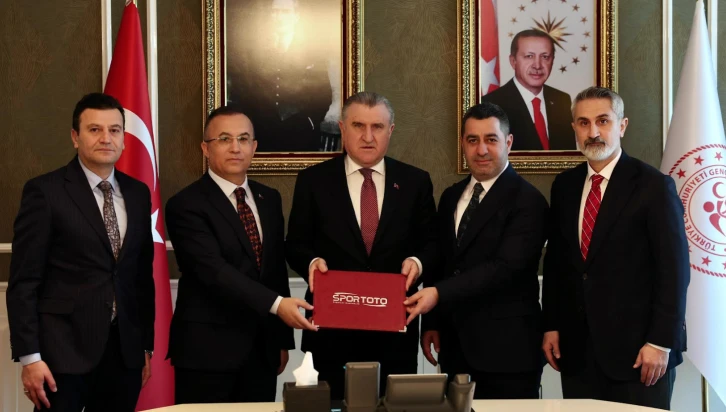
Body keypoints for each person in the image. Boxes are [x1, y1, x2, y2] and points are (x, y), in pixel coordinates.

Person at [541, 87, 689, 409]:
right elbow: (556, 265)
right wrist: (551, 324)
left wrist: (661, 342)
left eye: (603, 121)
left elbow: (674, 271)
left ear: (622, 126)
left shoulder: (654, 186)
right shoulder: (564, 187)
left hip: (640, 356)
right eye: (583, 123)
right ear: (574, 128)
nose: (593, 132)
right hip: (578, 353)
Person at [286, 91, 438, 400]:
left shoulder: (415, 182)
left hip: (394, 334)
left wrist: (418, 262)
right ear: (342, 129)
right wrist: (311, 262)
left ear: (390, 130)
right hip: (331, 335)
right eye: (358, 126)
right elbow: (295, 245)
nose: (368, 137)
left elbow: (433, 244)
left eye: (377, 127)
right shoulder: (313, 181)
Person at [7, 93, 155, 411]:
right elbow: (24, 281)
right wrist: (30, 357)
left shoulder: (138, 193)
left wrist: (145, 346)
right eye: (94, 129)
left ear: (123, 139)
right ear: (75, 137)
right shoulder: (45, 192)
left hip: (124, 354)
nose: (106, 138)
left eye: (114, 130)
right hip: (62, 354)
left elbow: (142, 277)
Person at [165, 106, 316, 404]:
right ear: (205, 148)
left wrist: (281, 340)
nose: (235, 147)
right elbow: (213, 271)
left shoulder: (269, 198)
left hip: (262, 350)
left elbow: (274, 270)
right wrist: (277, 306)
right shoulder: (186, 204)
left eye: (243, 139)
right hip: (207, 353)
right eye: (224, 139)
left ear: (254, 147)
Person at [403, 102, 548, 399]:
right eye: (473, 140)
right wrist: (432, 323)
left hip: (508, 354)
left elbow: (504, 269)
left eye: (491, 139)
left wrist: (438, 294)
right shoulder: (451, 196)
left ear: (508, 142)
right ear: (463, 144)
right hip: (454, 348)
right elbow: (443, 262)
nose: (481, 150)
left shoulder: (529, 201)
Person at [226, 0, 334, 152]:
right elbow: (244, 91)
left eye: (285, 12)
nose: (279, 17)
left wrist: (310, 121)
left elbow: (324, 94)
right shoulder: (256, 50)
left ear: (296, 16)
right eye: (275, 11)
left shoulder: (312, 52)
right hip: (262, 132)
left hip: (300, 133)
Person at [482, 29, 573, 151]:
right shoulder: (491, 105)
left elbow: (568, 155)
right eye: (529, 56)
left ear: (552, 61)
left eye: (545, 57)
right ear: (513, 61)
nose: (537, 65)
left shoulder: (562, 100)